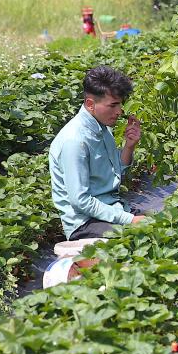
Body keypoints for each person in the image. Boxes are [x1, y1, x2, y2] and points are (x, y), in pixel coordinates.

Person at [49, 66, 146, 240]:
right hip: (85, 223)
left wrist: (129, 146)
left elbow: (115, 172)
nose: (119, 111)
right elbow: (81, 201)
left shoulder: (102, 128)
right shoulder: (74, 141)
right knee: (143, 236)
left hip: (111, 209)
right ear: (90, 104)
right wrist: (129, 220)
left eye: (120, 104)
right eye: (113, 105)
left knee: (163, 223)